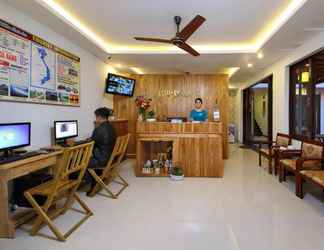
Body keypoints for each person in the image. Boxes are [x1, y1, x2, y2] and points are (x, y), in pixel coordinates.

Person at [85, 107, 117, 193]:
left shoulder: (99, 129)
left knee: (82, 162)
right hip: (110, 158)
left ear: (99, 117)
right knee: (88, 159)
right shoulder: (111, 127)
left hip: (102, 160)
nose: (95, 119)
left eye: (95, 117)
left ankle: (93, 184)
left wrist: (75, 144)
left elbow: (90, 143)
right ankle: (97, 179)